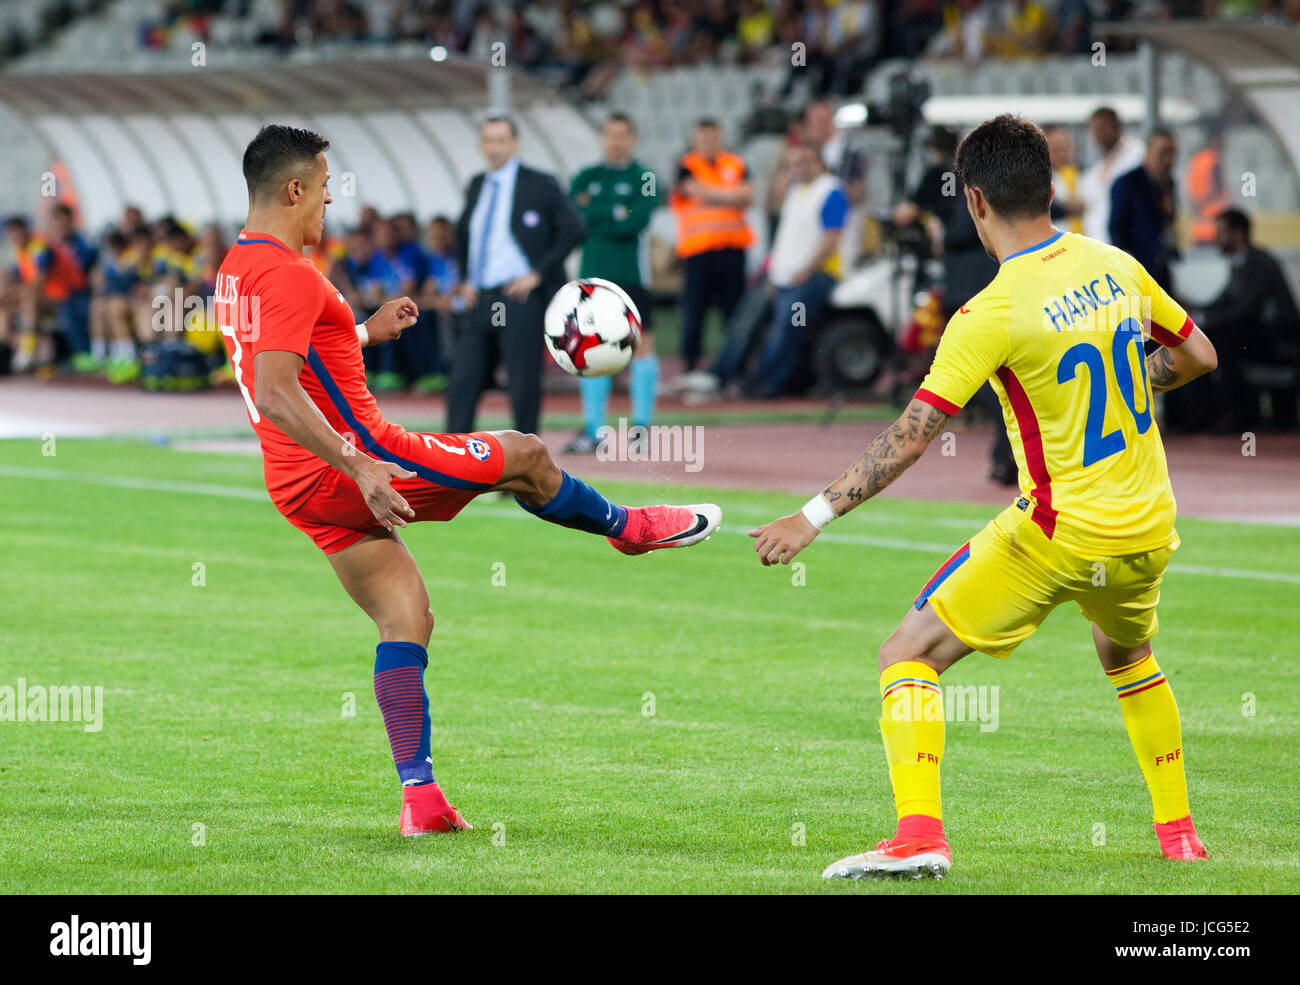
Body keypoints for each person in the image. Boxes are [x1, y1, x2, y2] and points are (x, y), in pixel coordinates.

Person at [215, 124, 721, 838]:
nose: (329, 204)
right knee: (527, 455)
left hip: (295, 484)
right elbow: (274, 388)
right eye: (325, 191)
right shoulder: (291, 272)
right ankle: (628, 530)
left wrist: (360, 333)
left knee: (407, 617)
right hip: (358, 461)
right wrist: (360, 462)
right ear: (293, 189)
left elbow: (287, 355)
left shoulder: (238, 268)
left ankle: (420, 800)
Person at [749, 114, 1218, 879]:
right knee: (1125, 649)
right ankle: (1179, 834)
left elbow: (911, 435)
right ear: (1052, 186)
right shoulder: (1117, 265)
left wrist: (811, 515)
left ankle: (919, 834)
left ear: (974, 202)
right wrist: (1141, 376)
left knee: (906, 653)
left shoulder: (989, 312)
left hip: (1057, 536)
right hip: (1149, 530)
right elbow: (1198, 353)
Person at [447, 113, 585, 436]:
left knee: (523, 385)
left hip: (518, 299)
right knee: (462, 384)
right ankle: (452, 472)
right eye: (488, 141)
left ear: (515, 143)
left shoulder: (539, 184)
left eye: (500, 140)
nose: (494, 148)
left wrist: (538, 273)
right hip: (481, 299)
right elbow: (464, 235)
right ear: (481, 144)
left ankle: (525, 471)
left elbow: (574, 229)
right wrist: (465, 279)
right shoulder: (477, 184)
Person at [564, 112, 660, 454]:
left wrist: (601, 213)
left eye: (622, 134)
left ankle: (642, 428)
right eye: (610, 134)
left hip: (632, 275)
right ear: (603, 138)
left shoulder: (645, 176)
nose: (616, 141)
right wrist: (616, 211)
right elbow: (575, 218)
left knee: (641, 345)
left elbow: (636, 221)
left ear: (632, 138)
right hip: (592, 276)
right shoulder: (586, 176)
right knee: (591, 347)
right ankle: (593, 431)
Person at [744, 140, 846, 398]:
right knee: (751, 322)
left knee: (786, 324)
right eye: (793, 164)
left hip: (818, 274)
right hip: (784, 275)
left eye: (804, 162)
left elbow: (831, 239)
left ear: (819, 163)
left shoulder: (831, 190)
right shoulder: (797, 191)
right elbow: (781, 227)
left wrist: (807, 270)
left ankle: (771, 383)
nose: (798, 168)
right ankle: (738, 375)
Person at [1199, 208, 1300, 430]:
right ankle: (1218, 411)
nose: (1217, 239)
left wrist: (1206, 320)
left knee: (1223, 340)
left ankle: (1236, 413)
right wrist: (1193, 314)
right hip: (1256, 335)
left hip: (1277, 339)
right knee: (1218, 336)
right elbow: (1223, 302)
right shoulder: (1238, 263)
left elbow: (1243, 309)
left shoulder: (1260, 263)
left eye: (1221, 233)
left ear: (1238, 234)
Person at [671, 119, 753, 388]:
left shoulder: (736, 163)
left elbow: (748, 194)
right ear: (695, 141)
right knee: (694, 311)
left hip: (732, 250)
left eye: (713, 138)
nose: (709, 144)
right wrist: (730, 195)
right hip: (698, 252)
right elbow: (692, 190)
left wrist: (712, 194)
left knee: (734, 313)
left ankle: (734, 369)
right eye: (703, 139)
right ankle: (691, 367)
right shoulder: (685, 165)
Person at [1109, 128, 1179, 290]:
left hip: (1162, 269)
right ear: (1148, 152)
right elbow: (1116, 228)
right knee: (1146, 313)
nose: (1168, 160)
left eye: (1172, 153)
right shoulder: (1127, 183)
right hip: (1139, 271)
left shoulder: (1168, 184)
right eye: (1163, 153)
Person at [1079, 106, 1144, 245]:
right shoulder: (1096, 168)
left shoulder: (1137, 156)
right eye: (1094, 130)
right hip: (1097, 245)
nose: (1098, 135)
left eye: (1102, 128)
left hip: (1127, 243)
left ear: (1116, 127)